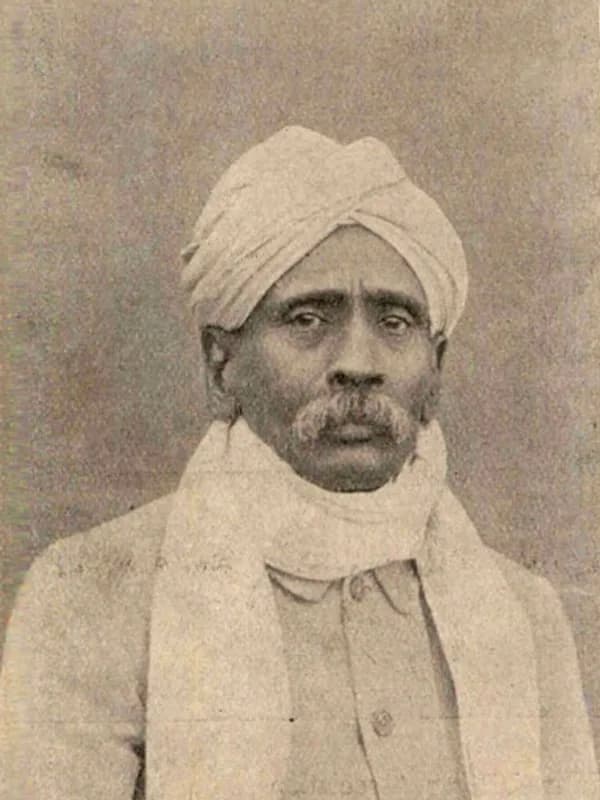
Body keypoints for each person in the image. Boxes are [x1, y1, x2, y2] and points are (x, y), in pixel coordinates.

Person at [1, 126, 598, 800]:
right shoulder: (93, 598)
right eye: (309, 319)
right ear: (221, 366)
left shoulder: (524, 615)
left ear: (436, 370)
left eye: (395, 322)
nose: (359, 363)